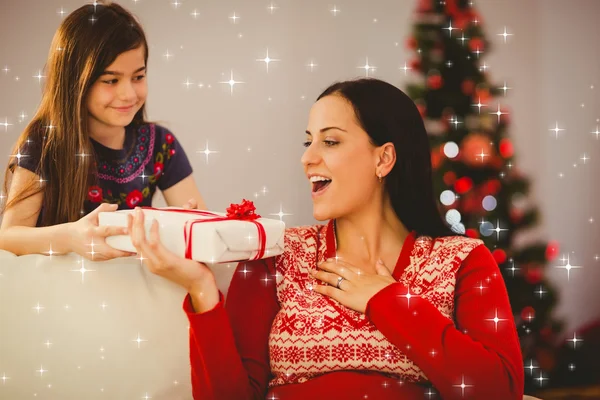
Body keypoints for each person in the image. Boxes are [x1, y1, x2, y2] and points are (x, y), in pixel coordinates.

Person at [128, 78, 524, 399]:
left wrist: (386, 301)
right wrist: (201, 288)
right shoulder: (275, 252)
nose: (307, 157)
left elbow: (500, 391)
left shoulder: (463, 260)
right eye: (308, 141)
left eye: (330, 141)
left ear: (383, 158)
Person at [0, 1, 205, 260]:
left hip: (131, 292)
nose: (129, 94)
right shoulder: (44, 143)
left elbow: (200, 224)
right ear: (75, 82)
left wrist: (182, 225)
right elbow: (8, 238)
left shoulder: (161, 144)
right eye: (111, 80)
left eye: (138, 77)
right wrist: (71, 238)